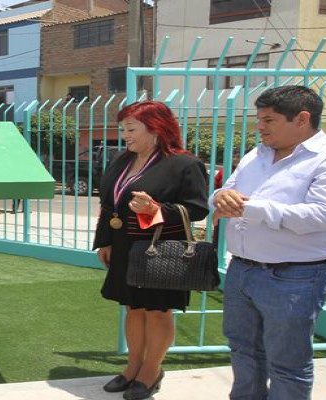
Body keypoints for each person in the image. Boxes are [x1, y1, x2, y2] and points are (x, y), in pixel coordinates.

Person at [212, 85, 326, 400]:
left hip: (295, 277)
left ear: (302, 119)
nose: (260, 126)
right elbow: (226, 191)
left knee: (286, 364)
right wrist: (221, 196)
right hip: (242, 270)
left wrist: (248, 208)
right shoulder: (258, 155)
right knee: (244, 352)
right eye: (259, 119)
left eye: (269, 119)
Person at [92, 101, 209, 400]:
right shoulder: (122, 159)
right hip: (123, 247)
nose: (125, 135)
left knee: (158, 311)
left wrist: (157, 210)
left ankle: (151, 371)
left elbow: (196, 210)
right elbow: (109, 204)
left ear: (156, 128)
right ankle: (132, 368)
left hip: (160, 248)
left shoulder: (185, 164)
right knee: (133, 308)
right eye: (123, 129)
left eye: (131, 129)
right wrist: (104, 240)